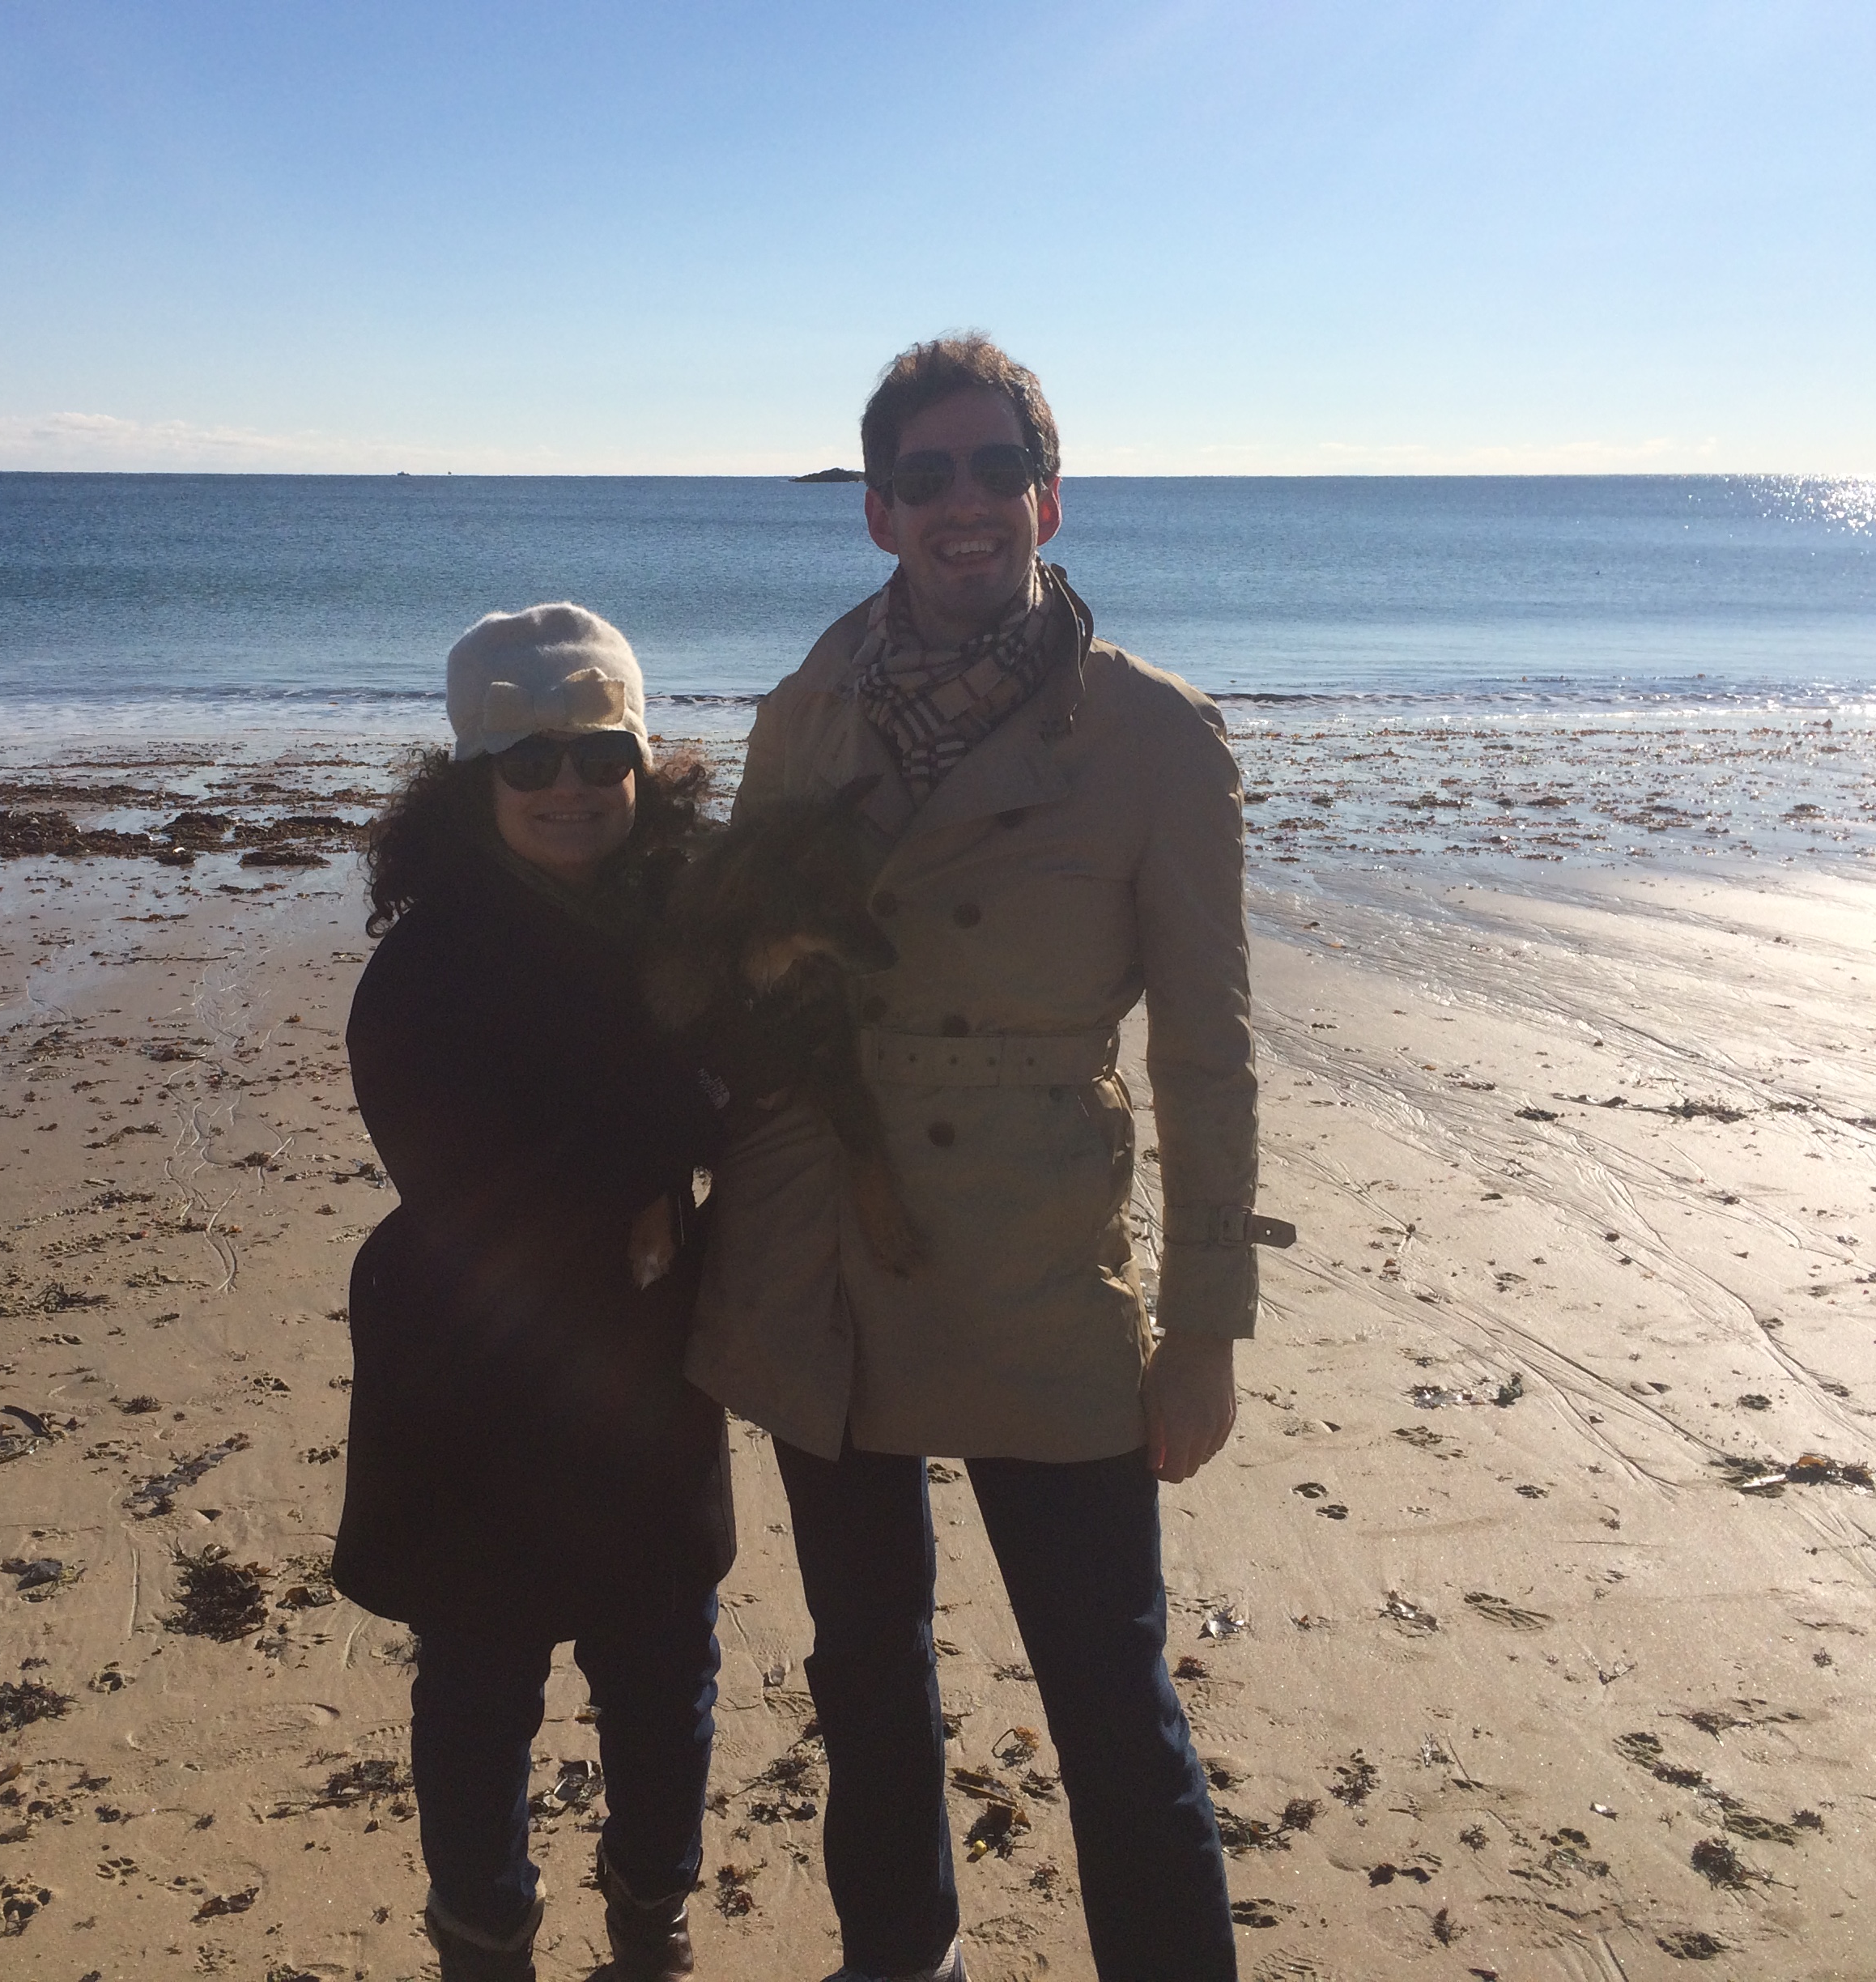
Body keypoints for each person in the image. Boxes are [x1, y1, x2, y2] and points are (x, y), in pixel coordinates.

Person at [689, 336, 1278, 1982]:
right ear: (878, 512)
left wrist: (1206, 1327)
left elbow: (1209, 1054)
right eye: (924, 479)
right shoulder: (805, 710)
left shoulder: (1156, 739)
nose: (964, 506)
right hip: (823, 1243)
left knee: (1109, 1695)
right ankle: (905, 1959)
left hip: (1032, 1261)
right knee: (865, 1675)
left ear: (1048, 495)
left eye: (992, 471)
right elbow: (744, 979)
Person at [335, 602, 731, 1982]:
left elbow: (769, 1082)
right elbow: (476, 1192)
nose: (570, 787)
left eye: (602, 751)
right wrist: (667, 1134)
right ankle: (483, 1940)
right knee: (482, 1683)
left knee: (665, 1669)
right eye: (529, 762)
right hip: (472, 1383)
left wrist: (672, 1153)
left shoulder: (696, 927)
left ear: (645, 756)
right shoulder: (423, 972)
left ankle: (650, 1919)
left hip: (644, 1372)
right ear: (473, 779)